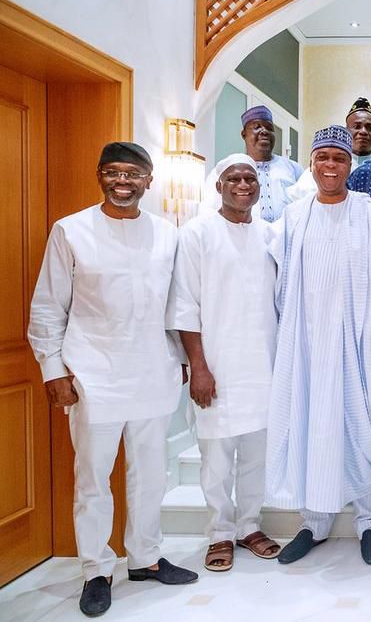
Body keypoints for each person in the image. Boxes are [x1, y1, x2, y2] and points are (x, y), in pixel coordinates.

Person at [28, 142, 197, 616]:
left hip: (153, 371)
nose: (123, 181)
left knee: (151, 476)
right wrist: (53, 369)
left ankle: (144, 559)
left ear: (150, 180)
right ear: (99, 175)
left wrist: (182, 357)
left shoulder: (167, 234)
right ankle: (96, 570)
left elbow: (176, 305)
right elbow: (47, 306)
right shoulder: (71, 230)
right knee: (93, 479)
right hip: (92, 376)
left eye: (133, 173)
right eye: (113, 172)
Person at [266, 126, 371, 566]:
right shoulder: (292, 217)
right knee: (310, 426)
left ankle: (369, 522)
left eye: (338, 159)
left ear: (350, 165)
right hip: (307, 345)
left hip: (358, 345)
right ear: (311, 162)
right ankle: (315, 522)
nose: (330, 166)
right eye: (322, 157)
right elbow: (279, 283)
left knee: (357, 427)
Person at [168, 153, 280, 572]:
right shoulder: (196, 234)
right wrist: (198, 366)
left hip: (263, 366)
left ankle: (249, 525)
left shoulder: (271, 235)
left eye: (250, 178)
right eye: (233, 178)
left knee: (256, 454)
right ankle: (220, 533)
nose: (243, 185)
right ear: (218, 186)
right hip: (215, 365)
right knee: (216, 457)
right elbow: (185, 305)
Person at [203, 105, 303, 221]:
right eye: (257, 127)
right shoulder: (225, 170)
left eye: (269, 128)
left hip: (285, 237)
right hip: (241, 235)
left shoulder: (293, 168)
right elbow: (209, 212)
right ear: (244, 134)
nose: (264, 131)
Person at [288, 97, 371, 201]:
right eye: (357, 126)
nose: (363, 131)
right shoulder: (320, 168)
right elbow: (295, 201)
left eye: (369, 127)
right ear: (346, 131)